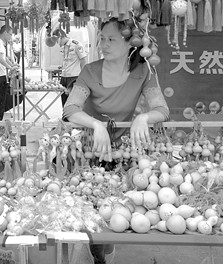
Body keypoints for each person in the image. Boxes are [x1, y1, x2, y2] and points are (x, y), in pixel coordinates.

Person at [63, 17, 170, 264]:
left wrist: (144, 117)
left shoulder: (144, 72)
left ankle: (103, 251)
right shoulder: (90, 71)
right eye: (102, 38)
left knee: (115, 209)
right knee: (88, 205)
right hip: (90, 151)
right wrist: (95, 124)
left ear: (130, 43)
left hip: (123, 153)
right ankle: (93, 251)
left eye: (111, 39)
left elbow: (162, 109)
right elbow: (70, 109)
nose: (104, 44)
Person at [0, 25, 20, 133]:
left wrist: (12, 64)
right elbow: (0, 58)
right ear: (5, 33)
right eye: (10, 34)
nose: (11, 37)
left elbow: (4, 57)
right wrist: (10, 68)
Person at [53, 28, 88, 107]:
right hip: (64, 77)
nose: (57, 43)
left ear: (61, 37)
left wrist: (83, 77)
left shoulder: (76, 45)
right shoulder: (63, 47)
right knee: (64, 102)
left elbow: (83, 60)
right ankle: (65, 114)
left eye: (57, 40)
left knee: (74, 103)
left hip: (74, 77)